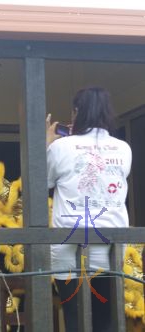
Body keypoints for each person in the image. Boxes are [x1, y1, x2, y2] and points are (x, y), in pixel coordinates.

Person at [46, 87, 132, 332]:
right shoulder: (123, 149)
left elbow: (41, 183)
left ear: (75, 113)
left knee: (75, 319)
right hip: (111, 249)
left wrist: (46, 143)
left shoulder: (60, 147)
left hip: (69, 248)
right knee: (107, 321)